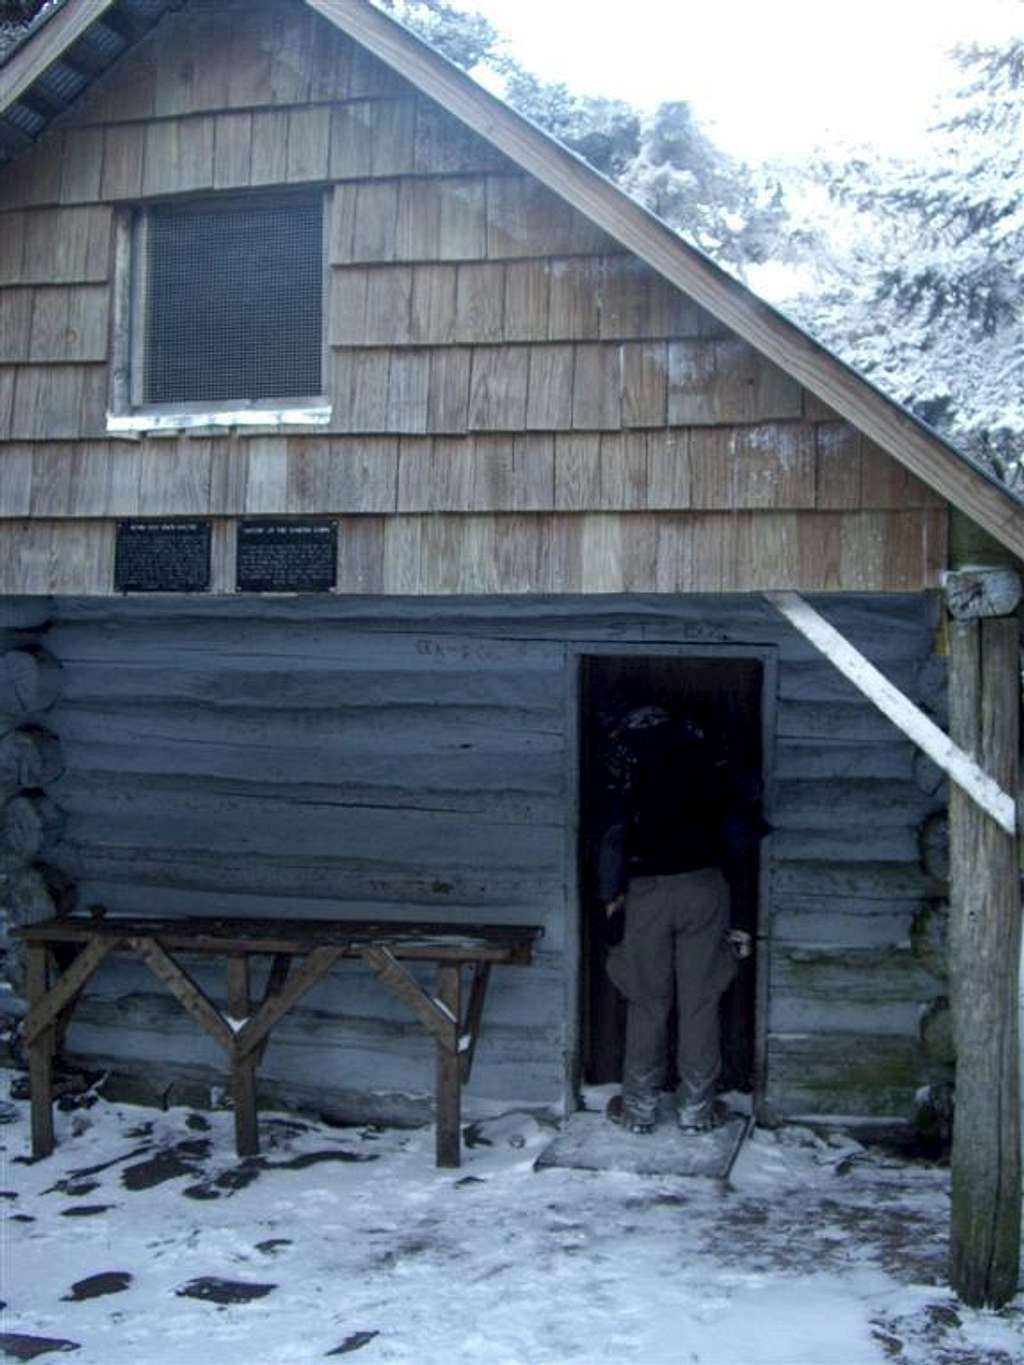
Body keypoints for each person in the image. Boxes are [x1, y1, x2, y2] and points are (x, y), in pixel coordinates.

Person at [595, 704, 753, 1136]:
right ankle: (696, 1108)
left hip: (646, 890)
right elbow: (741, 819)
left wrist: (611, 894)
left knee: (648, 1001)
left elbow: (613, 831)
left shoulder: (625, 757)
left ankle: (639, 1108)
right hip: (705, 885)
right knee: (700, 1001)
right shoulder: (705, 751)